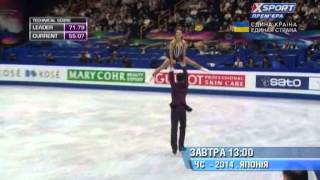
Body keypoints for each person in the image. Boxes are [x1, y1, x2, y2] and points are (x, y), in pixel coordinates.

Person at [168, 62, 192, 155]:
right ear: (183, 79)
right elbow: (186, 75)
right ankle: (181, 146)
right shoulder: (185, 85)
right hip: (182, 110)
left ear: (177, 79)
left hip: (174, 110)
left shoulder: (174, 85)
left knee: (174, 128)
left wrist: (171, 67)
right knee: (182, 127)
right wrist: (183, 66)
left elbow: (171, 77)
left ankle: (174, 148)